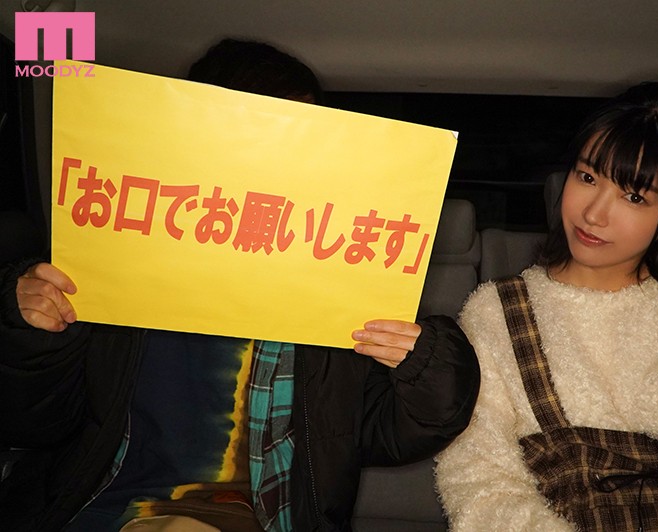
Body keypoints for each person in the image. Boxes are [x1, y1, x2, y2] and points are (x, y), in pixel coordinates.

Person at [0, 39, 479, 532]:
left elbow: (391, 434)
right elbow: (31, 422)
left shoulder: (340, 290)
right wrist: (32, 334)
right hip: (97, 508)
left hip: (262, 517)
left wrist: (427, 364)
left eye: (297, 140)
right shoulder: (108, 262)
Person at [433, 82, 658, 531]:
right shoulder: (496, 312)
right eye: (587, 178)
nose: (594, 214)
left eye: (634, 197)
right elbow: (479, 478)